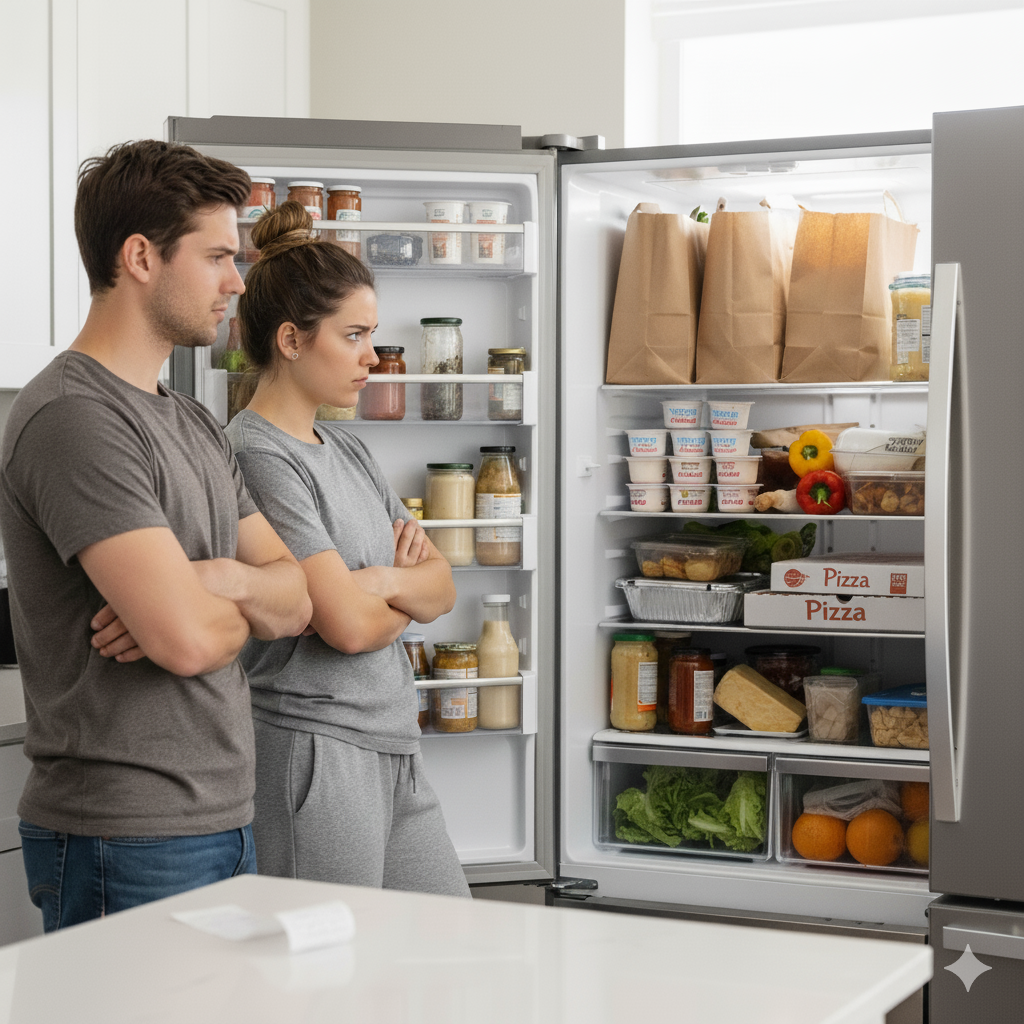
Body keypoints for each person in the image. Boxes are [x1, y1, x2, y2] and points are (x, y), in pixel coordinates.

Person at [0, 140, 313, 932]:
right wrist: (215, 601)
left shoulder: (191, 420)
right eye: (215, 256)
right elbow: (182, 642)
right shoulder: (77, 418)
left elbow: (297, 597)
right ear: (140, 257)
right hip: (123, 832)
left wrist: (218, 581)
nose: (236, 282)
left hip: (221, 815)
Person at [224, 201, 469, 897]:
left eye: (373, 335)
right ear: (292, 340)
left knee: (448, 946)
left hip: (394, 739)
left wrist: (373, 581)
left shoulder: (348, 448)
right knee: (327, 981)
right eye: (354, 335)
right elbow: (349, 626)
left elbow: (442, 588)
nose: (371, 356)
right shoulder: (257, 455)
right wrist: (397, 588)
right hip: (314, 748)